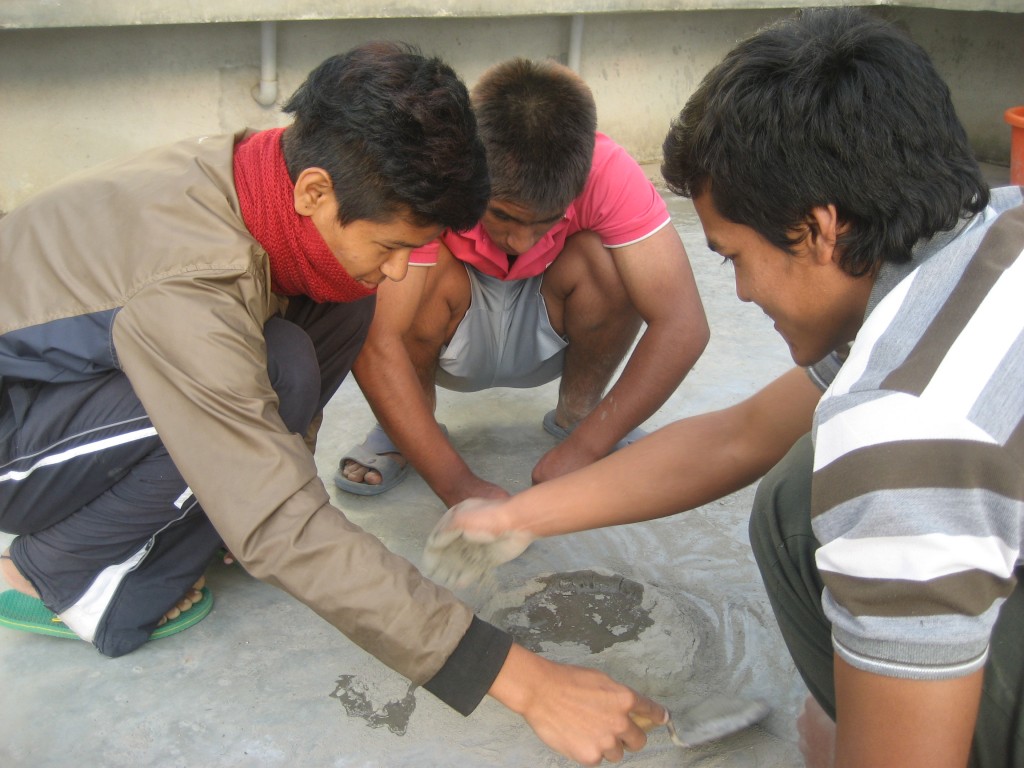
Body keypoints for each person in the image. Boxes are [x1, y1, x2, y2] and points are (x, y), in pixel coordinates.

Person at [0, 42, 667, 765]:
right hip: (17, 419)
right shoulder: (194, 284)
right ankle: (54, 578)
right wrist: (527, 682)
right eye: (390, 245)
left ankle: (184, 523)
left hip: (76, 389)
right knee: (236, 417)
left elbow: (278, 445)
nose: (395, 270)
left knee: (324, 320)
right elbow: (280, 520)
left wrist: (262, 490)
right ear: (316, 191)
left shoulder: (269, 177)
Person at [425, 9, 1024, 767]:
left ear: (819, 230)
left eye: (734, 255)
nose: (739, 293)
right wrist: (515, 517)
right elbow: (740, 434)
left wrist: (847, 746)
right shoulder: (985, 237)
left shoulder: (908, 430)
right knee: (794, 493)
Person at [335, 57, 709, 507]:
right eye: (503, 215)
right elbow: (377, 342)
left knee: (611, 263)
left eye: (546, 222)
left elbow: (683, 324)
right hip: (452, 318)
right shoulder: (437, 167)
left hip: (548, 310)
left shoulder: (608, 169)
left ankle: (581, 416)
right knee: (405, 266)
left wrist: (583, 450)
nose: (520, 240)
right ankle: (406, 430)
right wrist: (458, 486)